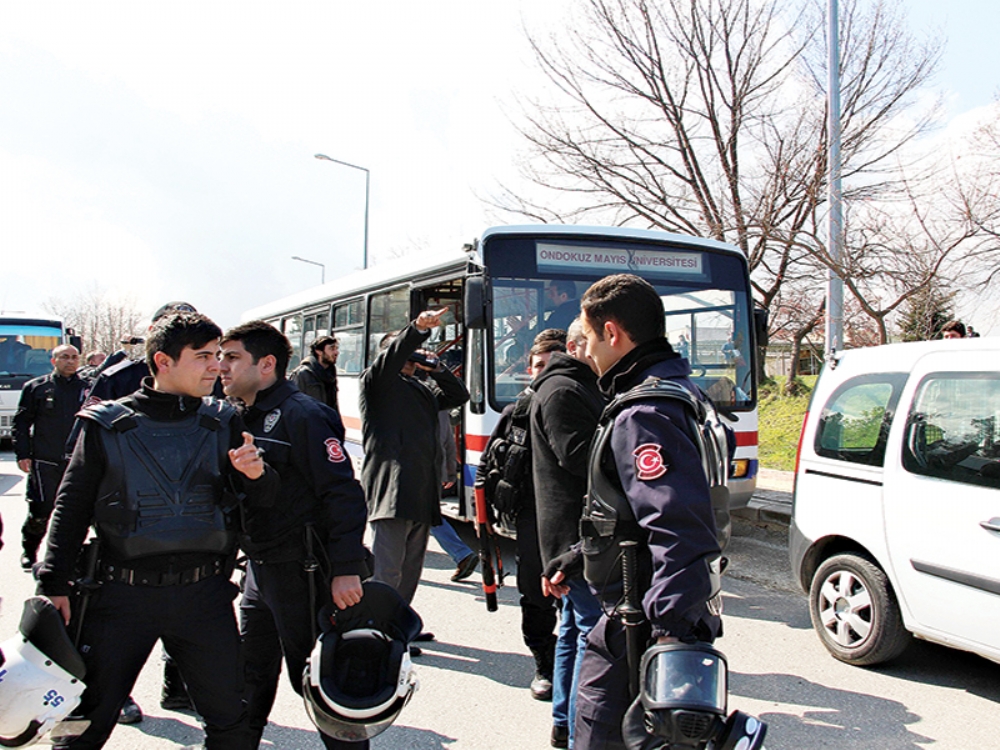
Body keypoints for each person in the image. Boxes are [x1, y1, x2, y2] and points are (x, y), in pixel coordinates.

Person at [36, 311, 278, 750]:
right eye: (203, 356)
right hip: (120, 598)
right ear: (163, 361)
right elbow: (71, 509)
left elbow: (262, 505)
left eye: (218, 355)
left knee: (233, 726)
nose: (216, 366)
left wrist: (257, 476)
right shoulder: (105, 424)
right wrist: (52, 583)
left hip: (203, 597)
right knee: (81, 728)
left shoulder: (224, 421)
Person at [543, 274, 723, 749]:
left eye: (588, 337)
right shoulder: (679, 391)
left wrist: (668, 637)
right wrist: (579, 556)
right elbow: (633, 514)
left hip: (638, 624)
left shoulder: (645, 412)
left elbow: (678, 528)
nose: (586, 352)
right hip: (644, 609)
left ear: (612, 333)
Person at [218, 320, 369, 750]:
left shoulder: (304, 415)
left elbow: (342, 494)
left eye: (232, 358)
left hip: (303, 571)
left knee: (318, 682)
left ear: (266, 364)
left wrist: (346, 568)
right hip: (258, 568)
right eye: (220, 357)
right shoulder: (236, 416)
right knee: (249, 676)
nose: (222, 367)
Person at [360, 309, 469, 611]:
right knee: (387, 572)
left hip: (421, 491)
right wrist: (417, 329)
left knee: (409, 573)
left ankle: (398, 624)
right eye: (408, 354)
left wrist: (437, 369)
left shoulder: (421, 390)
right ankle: (377, 624)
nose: (412, 359)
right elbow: (392, 359)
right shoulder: (377, 384)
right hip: (392, 492)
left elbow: (458, 396)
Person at [477, 333, 565, 703]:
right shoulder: (516, 413)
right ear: (529, 370)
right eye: (539, 365)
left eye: (553, 364)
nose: (545, 372)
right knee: (535, 594)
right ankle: (545, 663)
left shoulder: (582, 403)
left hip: (576, 521)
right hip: (532, 518)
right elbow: (488, 464)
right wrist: (485, 515)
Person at [531, 319, 605, 748]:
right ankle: (579, 730)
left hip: (573, 535)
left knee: (576, 630)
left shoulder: (573, 385)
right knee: (593, 634)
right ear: (578, 347)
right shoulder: (563, 391)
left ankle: (564, 721)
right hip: (575, 536)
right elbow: (580, 459)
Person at [13, 344, 86, 571]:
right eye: (65, 357)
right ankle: (29, 551)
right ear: (54, 361)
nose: (70, 361)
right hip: (45, 460)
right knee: (40, 510)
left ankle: (71, 557)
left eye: (74, 357)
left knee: (77, 512)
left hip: (78, 462)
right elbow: (21, 424)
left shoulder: (88, 388)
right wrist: (23, 454)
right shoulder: (36, 387)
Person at [290, 334, 340, 412]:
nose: (336, 352)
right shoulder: (302, 374)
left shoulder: (330, 375)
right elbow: (293, 406)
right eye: (332, 349)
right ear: (319, 351)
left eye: (336, 348)